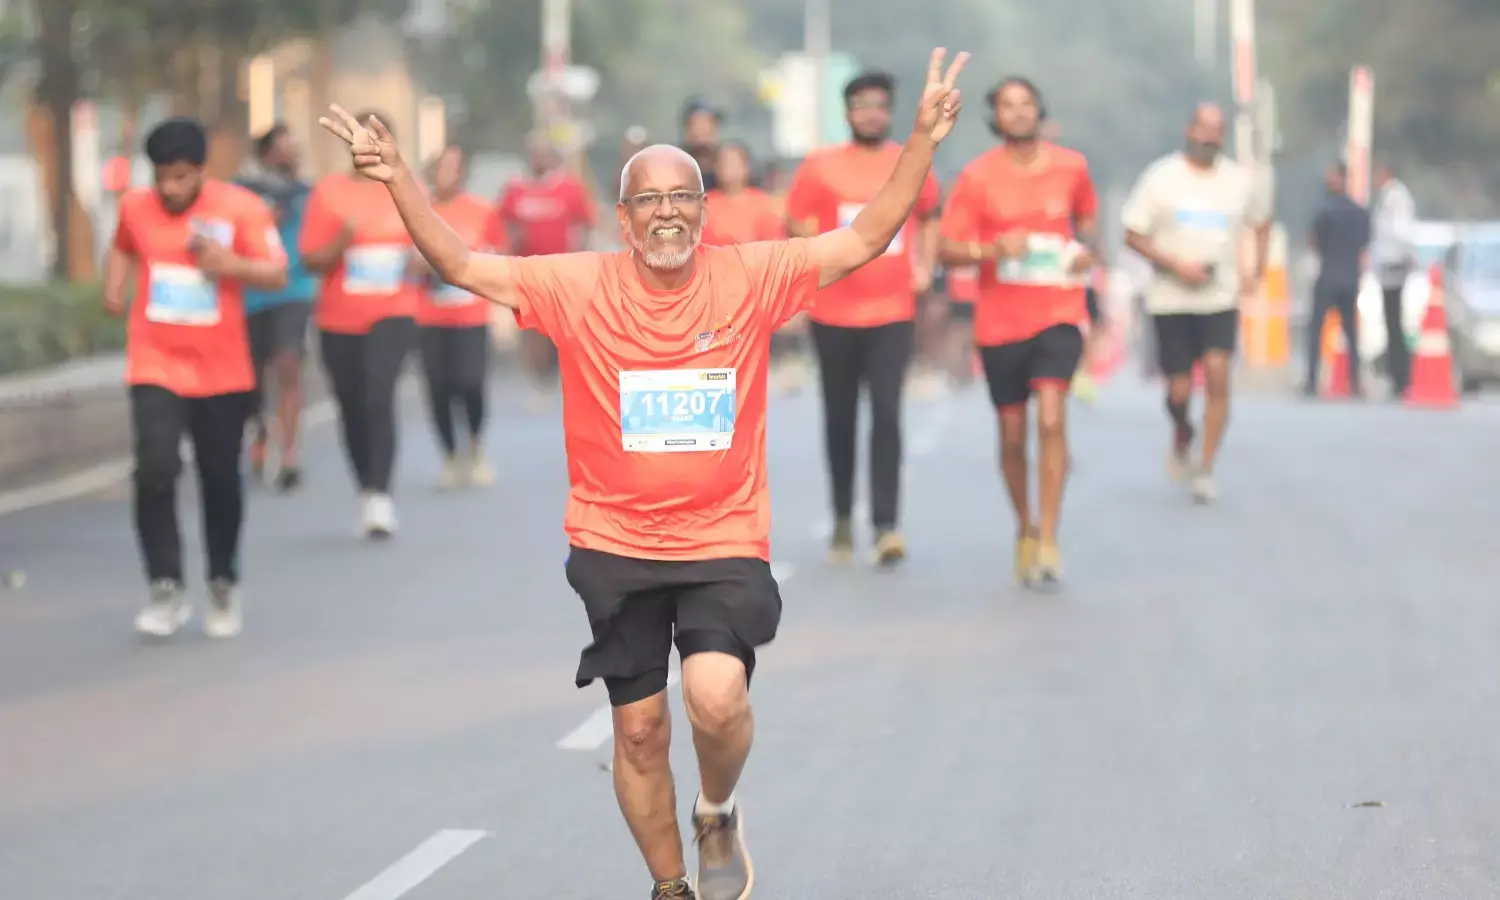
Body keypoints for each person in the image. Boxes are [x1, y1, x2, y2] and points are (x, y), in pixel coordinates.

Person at [318, 45, 967, 900]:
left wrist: (919, 141)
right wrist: (401, 177)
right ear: (622, 220)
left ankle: (718, 808)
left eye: (681, 199)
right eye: (648, 201)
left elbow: (870, 234)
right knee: (638, 732)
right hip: (614, 540)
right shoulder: (576, 286)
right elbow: (461, 265)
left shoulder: (754, 274)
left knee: (716, 695)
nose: (666, 215)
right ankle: (670, 886)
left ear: (704, 212)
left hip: (724, 535)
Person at [103, 116, 288, 638]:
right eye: (162, 176)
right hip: (155, 361)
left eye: (182, 177)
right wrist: (114, 287)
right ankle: (165, 585)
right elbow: (122, 246)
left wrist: (228, 264)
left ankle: (223, 580)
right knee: (155, 469)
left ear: (202, 171)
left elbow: (276, 271)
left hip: (223, 372)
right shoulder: (135, 207)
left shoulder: (240, 209)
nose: (171, 188)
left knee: (220, 479)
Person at [938, 76, 1098, 584]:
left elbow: (1088, 222)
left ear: (1039, 109)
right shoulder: (978, 177)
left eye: (1026, 102)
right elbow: (947, 247)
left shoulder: (1072, 167)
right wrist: (991, 251)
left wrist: (1086, 253)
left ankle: (1050, 535)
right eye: (1007, 105)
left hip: (1058, 311)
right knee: (1012, 434)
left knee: (1051, 419)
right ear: (995, 117)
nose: (1019, 112)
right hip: (1002, 320)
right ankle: (1024, 527)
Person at [785, 70, 942, 567]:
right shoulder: (820, 166)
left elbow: (931, 214)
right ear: (847, 111)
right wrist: (812, 260)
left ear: (889, 111)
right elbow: (795, 222)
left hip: (892, 310)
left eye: (879, 104)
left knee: (889, 416)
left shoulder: (908, 160)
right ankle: (841, 519)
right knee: (840, 418)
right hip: (833, 311)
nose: (870, 113)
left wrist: (926, 265)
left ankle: (886, 525)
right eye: (860, 104)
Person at [1122, 102, 1271, 504]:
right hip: (1170, 299)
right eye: (1203, 129)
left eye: (1217, 130)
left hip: (1219, 296)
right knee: (1179, 390)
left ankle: (1205, 466)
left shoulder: (1239, 181)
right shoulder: (1161, 178)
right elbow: (1132, 234)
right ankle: (1183, 428)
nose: (1209, 138)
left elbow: (1261, 221)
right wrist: (1175, 266)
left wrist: (1253, 272)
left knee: (1219, 373)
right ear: (1189, 130)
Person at [299, 110, 419, 538]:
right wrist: (341, 242)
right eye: (358, 139)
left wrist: (418, 261)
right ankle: (366, 489)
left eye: (375, 139)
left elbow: (433, 248)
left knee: (377, 395)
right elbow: (311, 260)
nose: (366, 147)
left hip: (394, 312)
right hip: (339, 319)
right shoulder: (328, 195)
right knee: (351, 405)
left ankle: (381, 494)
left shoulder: (403, 187)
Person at [486, 134, 596, 409]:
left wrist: (581, 259)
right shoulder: (515, 189)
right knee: (532, 327)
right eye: (535, 154)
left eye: (544, 154)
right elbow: (503, 225)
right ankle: (536, 380)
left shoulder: (569, 187)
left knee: (562, 327)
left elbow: (584, 224)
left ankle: (563, 379)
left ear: (553, 157)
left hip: (563, 272)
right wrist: (507, 250)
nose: (539, 159)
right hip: (527, 273)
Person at [237, 122, 317, 492]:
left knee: (288, 364)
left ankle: (289, 454)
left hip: (293, 289)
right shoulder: (242, 191)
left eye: (295, 146)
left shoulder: (306, 192)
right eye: (284, 147)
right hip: (251, 293)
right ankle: (260, 430)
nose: (292, 153)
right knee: (251, 379)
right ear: (266, 152)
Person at [414, 145, 497, 489]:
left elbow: (496, 258)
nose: (447, 173)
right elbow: (409, 256)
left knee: (471, 383)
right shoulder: (419, 210)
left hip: (471, 316)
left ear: (463, 172)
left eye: (454, 166)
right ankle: (449, 456)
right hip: (429, 316)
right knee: (438, 389)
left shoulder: (483, 211)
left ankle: (476, 447)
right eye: (441, 166)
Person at [701, 141, 806, 395]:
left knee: (746, 374)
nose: (729, 169)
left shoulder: (762, 205)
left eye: (735, 163)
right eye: (724, 163)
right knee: (713, 369)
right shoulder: (705, 205)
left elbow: (774, 253)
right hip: (712, 300)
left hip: (750, 301)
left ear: (747, 167)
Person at [1304, 161, 1371, 398]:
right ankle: (1354, 381)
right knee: (1351, 333)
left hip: (1328, 276)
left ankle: (1311, 382)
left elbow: (1314, 242)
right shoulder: (1360, 212)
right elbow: (1364, 244)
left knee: (1315, 331)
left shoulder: (1324, 210)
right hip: (1350, 278)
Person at [1371, 161, 1416, 397]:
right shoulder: (1386, 196)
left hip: (1394, 264)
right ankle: (1396, 373)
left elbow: (1400, 230)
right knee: (1390, 322)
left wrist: (1403, 257)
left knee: (1394, 322)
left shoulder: (1396, 196)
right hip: (1388, 264)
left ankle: (1401, 375)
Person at [680, 99, 723, 191]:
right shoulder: (678, 162)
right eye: (698, 124)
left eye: (708, 124)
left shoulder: (726, 162)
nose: (703, 130)